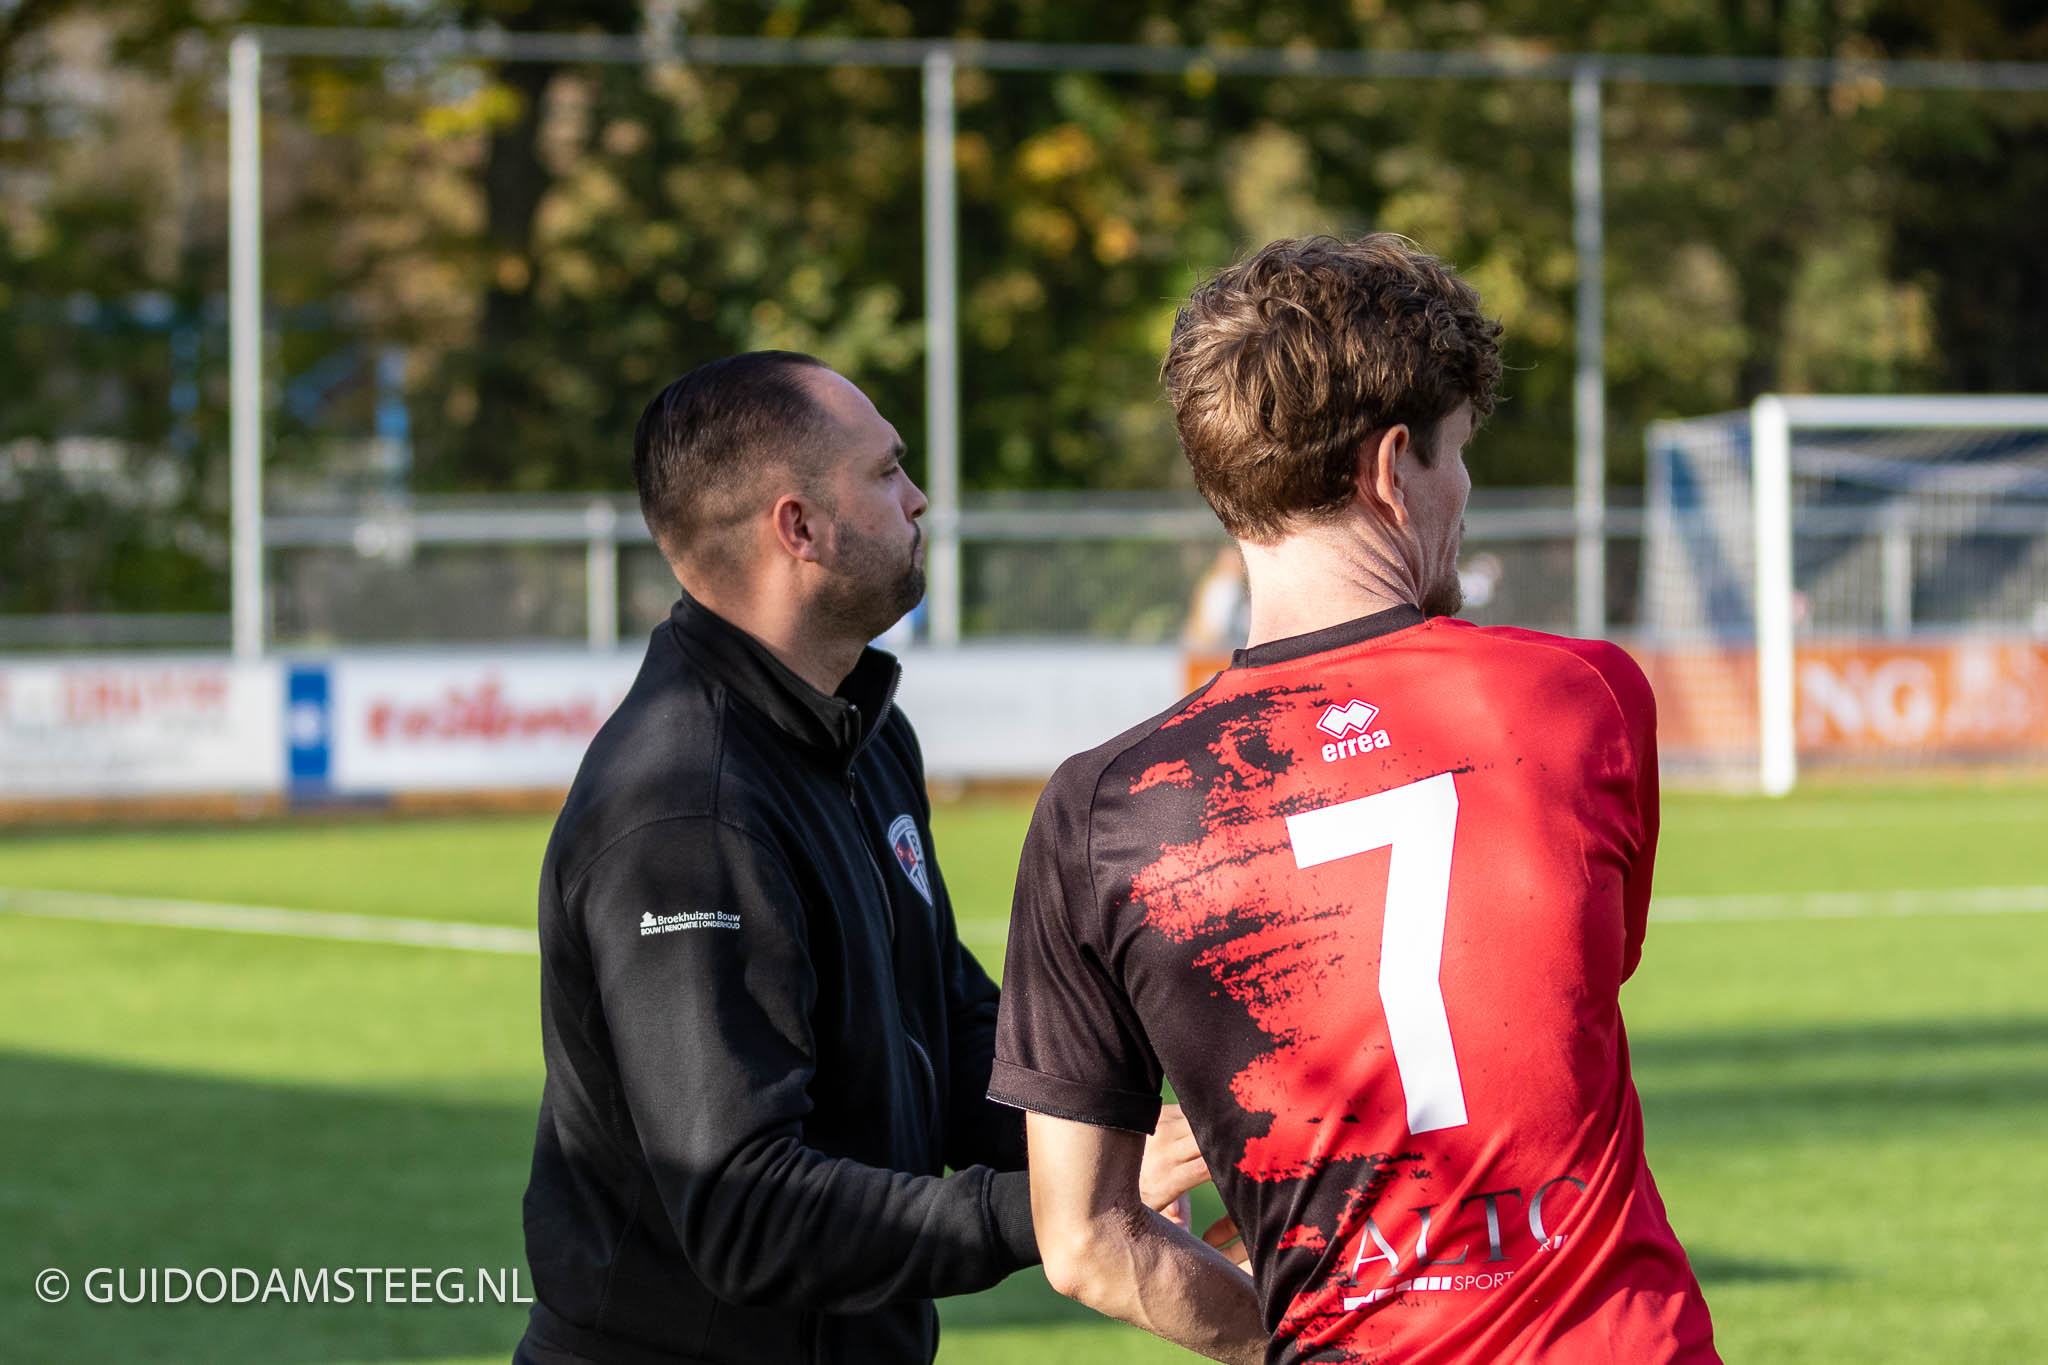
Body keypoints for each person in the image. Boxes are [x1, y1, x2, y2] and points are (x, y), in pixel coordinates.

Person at [989, 237, 1721, 1365]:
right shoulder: (1577, 697)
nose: (1464, 493)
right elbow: (1566, 986)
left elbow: (1084, 1244)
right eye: (1457, 456)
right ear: (1392, 469)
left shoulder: (1103, 810)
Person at [514, 351, 1206, 1365]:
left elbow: (951, 1026)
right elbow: (743, 1209)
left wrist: (1113, 1142)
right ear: (797, 528)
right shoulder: (686, 812)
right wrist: (1056, 1213)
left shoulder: (864, 734)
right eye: (885, 472)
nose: (917, 497)